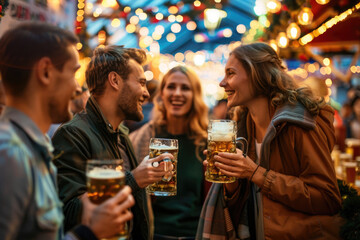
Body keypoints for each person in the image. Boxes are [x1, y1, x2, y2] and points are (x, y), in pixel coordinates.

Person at [0, 22, 134, 240]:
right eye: (73, 73)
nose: (78, 88)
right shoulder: (9, 152)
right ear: (45, 72)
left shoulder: (34, 143)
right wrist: (90, 233)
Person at [196, 42, 343, 240]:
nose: (222, 83)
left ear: (258, 75)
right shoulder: (242, 127)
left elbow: (327, 198)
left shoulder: (298, 123)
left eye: (231, 73)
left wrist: (254, 172)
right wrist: (231, 181)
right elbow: (247, 205)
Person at [51, 45, 173, 240]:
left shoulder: (121, 133)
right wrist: (133, 179)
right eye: (141, 83)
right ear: (115, 80)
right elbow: (68, 211)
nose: (146, 93)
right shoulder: (73, 134)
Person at [130, 65, 209, 239]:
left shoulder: (207, 143)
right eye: (171, 86)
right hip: (153, 234)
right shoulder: (140, 138)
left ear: (195, 96)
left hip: (196, 234)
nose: (177, 93)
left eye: (185, 88)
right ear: (162, 94)